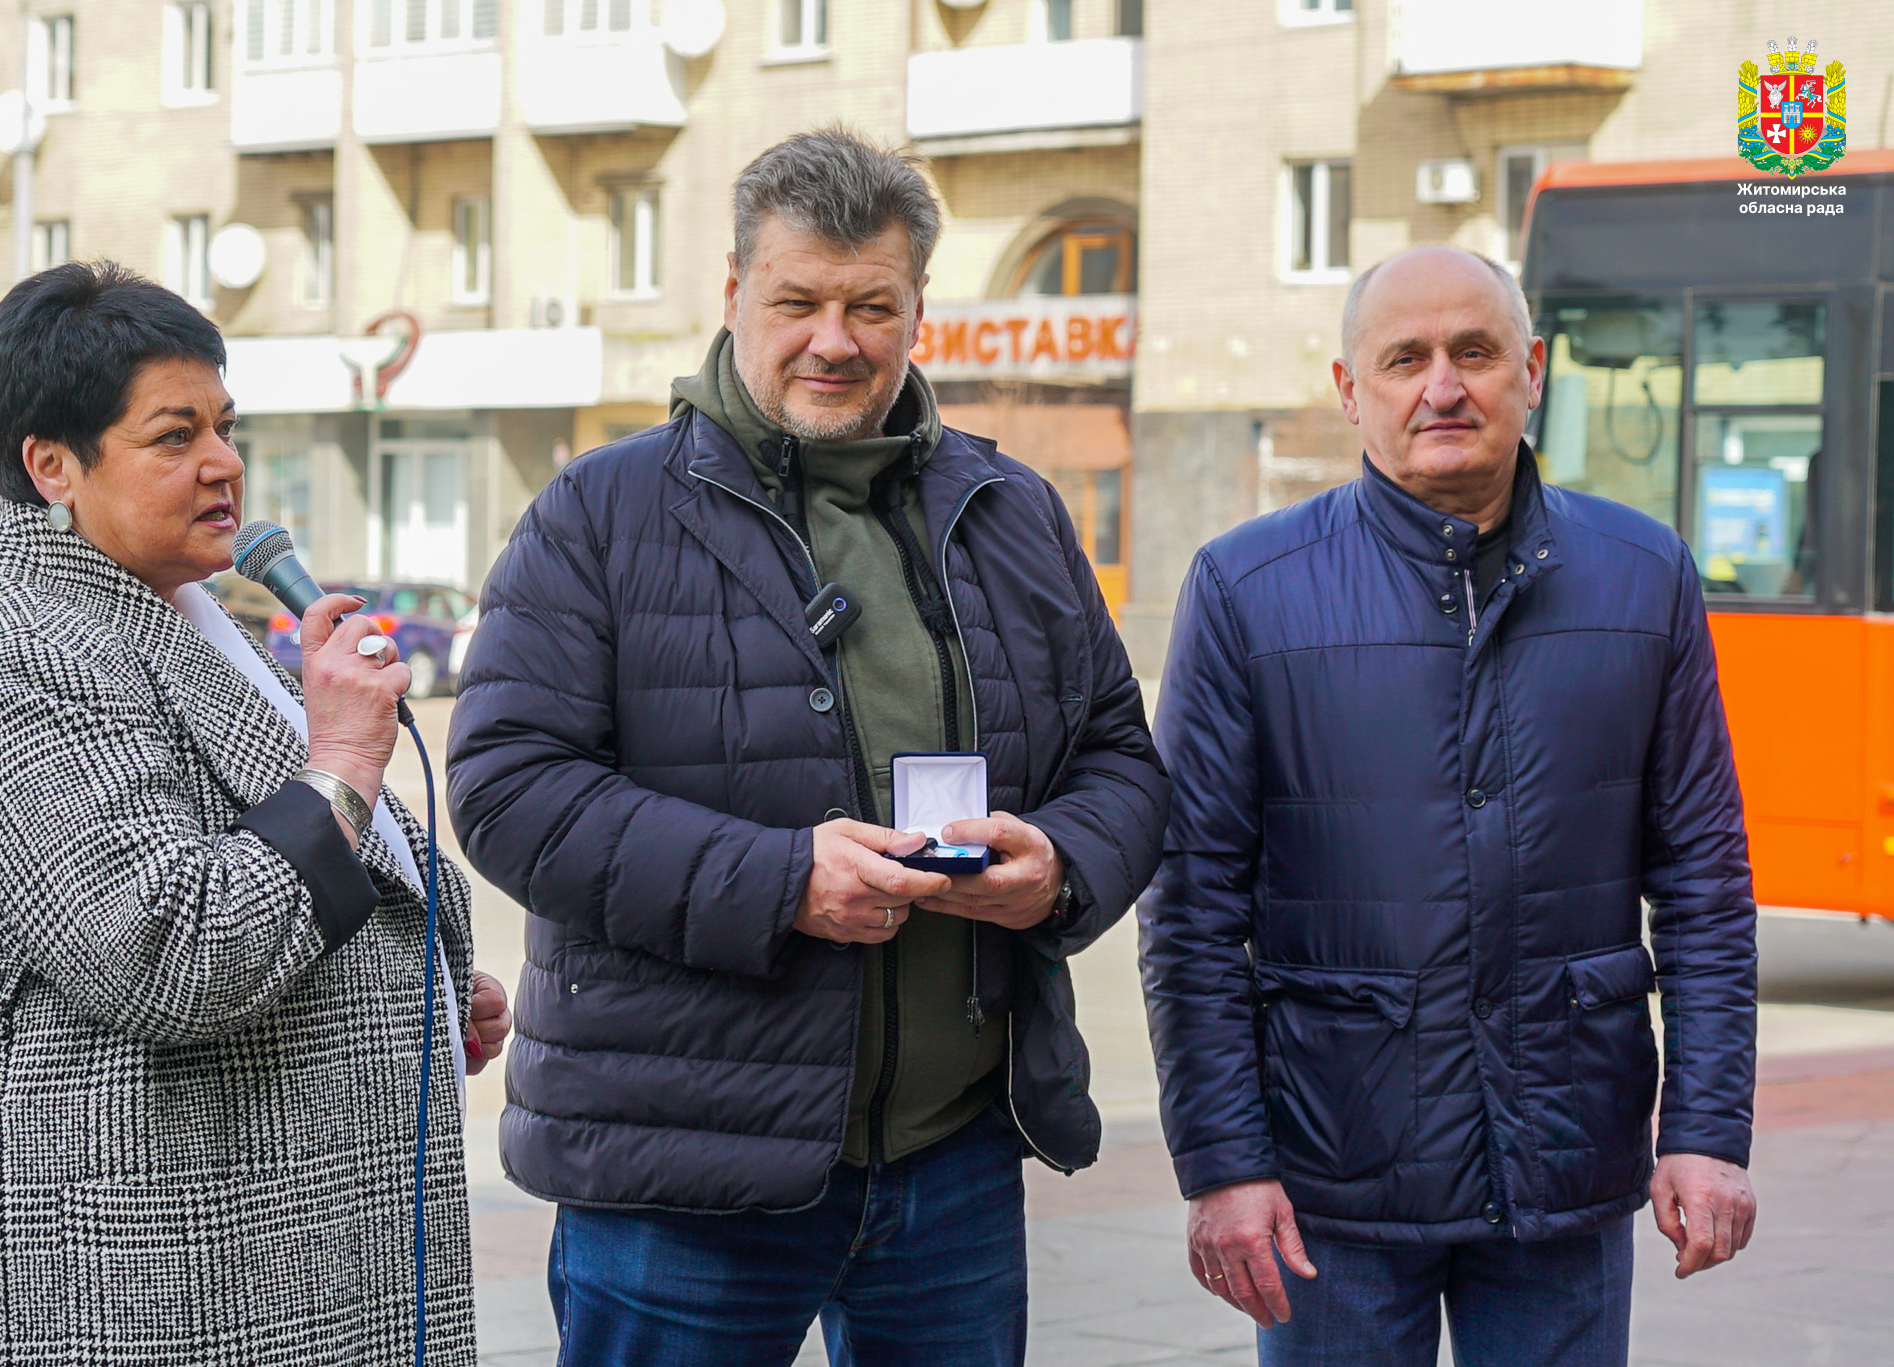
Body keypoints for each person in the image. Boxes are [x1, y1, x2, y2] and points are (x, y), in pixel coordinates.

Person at [448, 127, 1169, 1365]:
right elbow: (511, 790)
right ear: (731, 293)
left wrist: (1059, 862)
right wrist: (784, 882)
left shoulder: (1013, 512)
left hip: (953, 1157)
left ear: (916, 311)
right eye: (796, 301)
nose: (833, 339)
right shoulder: (598, 513)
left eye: (868, 305)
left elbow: (1119, 755)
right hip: (680, 1173)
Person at [0, 261, 511, 1364]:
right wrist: (343, 755)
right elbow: (166, 948)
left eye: (225, 424)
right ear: (52, 465)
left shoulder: (170, 605)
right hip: (82, 1277)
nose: (224, 463)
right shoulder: (13, 655)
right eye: (174, 435)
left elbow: (295, 850)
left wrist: (425, 989)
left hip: (227, 1250)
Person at [1140, 245, 1758, 1367]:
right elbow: (1188, 910)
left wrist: (1708, 1132)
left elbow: (1704, 880)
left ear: (1528, 369)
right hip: (1334, 1177)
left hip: (1563, 1166)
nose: (1442, 385)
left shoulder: (1641, 574)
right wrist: (1224, 1164)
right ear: (1347, 388)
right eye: (1404, 358)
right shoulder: (1246, 588)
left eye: (1473, 352)